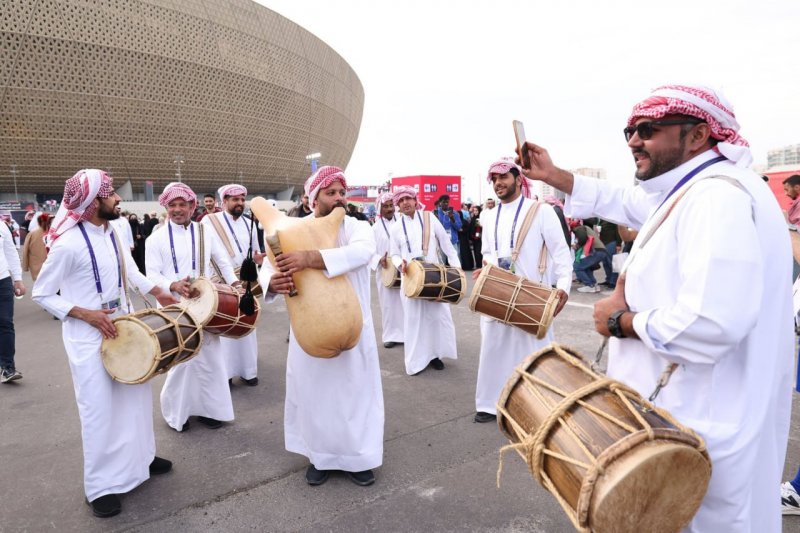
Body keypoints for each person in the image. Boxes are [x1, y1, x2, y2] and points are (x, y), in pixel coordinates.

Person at [518, 84, 793, 532]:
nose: (632, 140)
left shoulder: (717, 197)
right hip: (688, 420)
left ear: (699, 134)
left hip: (700, 428)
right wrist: (554, 175)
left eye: (648, 130)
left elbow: (712, 323)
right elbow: (630, 202)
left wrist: (621, 321)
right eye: (629, 130)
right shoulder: (695, 188)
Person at [31, 169, 177, 518]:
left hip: (125, 328)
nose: (116, 198)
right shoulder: (67, 244)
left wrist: (163, 291)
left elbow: (131, 274)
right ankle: (99, 487)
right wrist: (85, 313)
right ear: (92, 201)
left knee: (136, 398)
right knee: (98, 410)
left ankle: (141, 458)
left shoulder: (112, 231)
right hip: (87, 337)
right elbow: (42, 293)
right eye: (110, 193)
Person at [259, 165, 384, 487]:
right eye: (331, 193)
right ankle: (320, 457)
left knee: (355, 394)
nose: (339, 198)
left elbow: (363, 252)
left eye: (343, 192)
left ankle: (358, 458)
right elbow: (267, 268)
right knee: (312, 394)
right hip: (308, 328)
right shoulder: (288, 228)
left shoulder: (357, 226)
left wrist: (310, 258)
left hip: (353, 325)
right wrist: (273, 281)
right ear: (312, 199)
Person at [472, 158, 572, 422]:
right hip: (497, 291)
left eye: (503, 177)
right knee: (493, 348)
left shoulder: (540, 211)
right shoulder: (489, 215)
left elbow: (561, 252)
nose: (498, 183)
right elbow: (487, 252)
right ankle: (489, 404)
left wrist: (563, 287)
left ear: (519, 179)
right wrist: (487, 269)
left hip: (532, 294)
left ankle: (541, 404)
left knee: (536, 352)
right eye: (493, 179)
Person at [145, 182, 240, 432]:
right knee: (181, 363)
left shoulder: (203, 232)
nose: (178, 210)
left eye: (182, 205)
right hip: (173, 306)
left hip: (205, 303)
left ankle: (211, 411)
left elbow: (221, 260)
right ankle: (178, 414)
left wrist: (235, 284)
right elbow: (151, 274)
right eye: (173, 205)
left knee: (210, 359)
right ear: (166, 207)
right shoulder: (155, 238)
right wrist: (172, 285)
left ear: (191, 206)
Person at [389, 186, 461, 374]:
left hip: (434, 277)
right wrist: (399, 264)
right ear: (398, 204)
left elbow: (447, 245)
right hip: (410, 278)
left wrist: (457, 270)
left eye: (408, 199)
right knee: (414, 320)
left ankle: (435, 355)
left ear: (415, 200)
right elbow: (394, 254)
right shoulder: (396, 227)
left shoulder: (429, 217)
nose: (405, 202)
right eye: (401, 200)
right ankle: (416, 360)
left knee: (436, 317)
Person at [201, 183, 265, 386]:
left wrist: (259, 259)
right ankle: (226, 375)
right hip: (221, 281)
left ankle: (248, 371)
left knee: (248, 324)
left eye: (242, 199)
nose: (239, 203)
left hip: (245, 281)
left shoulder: (250, 223)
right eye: (235, 199)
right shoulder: (210, 221)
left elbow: (255, 253)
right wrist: (229, 278)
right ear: (224, 202)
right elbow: (207, 252)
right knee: (226, 326)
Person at [370, 192, 404, 349]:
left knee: (406, 302)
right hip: (385, 271)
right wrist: (379, 259)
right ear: (380, 208)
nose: (390, 209)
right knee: (388, 304)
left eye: (391, 205)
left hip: (404, 269)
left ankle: (407, 334)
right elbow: (369, 250)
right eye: (386, 206)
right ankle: (390, 336)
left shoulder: (403, 223)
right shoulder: (375, 228)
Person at [0, 211, 25, 383]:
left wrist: (18, 279)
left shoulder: (1, 226)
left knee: (5, 323)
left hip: (3, 281)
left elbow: (10, 252)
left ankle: (7, 367)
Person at [571, 221, 612, 293]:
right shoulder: (586, 228)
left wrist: (577, 246)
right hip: (601, 251)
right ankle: (594, 285)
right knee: (586, 267)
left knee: (577, 267)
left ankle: (589, 285)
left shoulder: (578, 229)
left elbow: (582, 238)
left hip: (596, 251)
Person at [21, 213, 51, 282]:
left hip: (35, 265)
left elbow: (25, 250)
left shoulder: (32, 233)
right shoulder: (54, 232)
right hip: (51, 264)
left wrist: (25, 266)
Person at [434, 195, 462, 262]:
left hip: (452, 241)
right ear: (440, 203)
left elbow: (459, 227)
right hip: (440, 241)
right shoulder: (435, 213)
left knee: (455, 262)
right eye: (444, 202)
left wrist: (452, 218)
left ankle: (455, 272)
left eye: (447, 202)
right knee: (441, 262)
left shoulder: (455, 213)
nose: (446, 204)